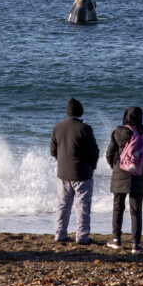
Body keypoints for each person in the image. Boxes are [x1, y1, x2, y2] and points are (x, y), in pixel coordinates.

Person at [105, 106, 143, 254]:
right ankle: (136, 244)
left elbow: (109, 154)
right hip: (139, 176)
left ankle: (116, 240)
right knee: (136, 211)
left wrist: (115, 168)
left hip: (119, 175)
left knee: (118, 207)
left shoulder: (118, 132)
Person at [50, 98, 100, 244]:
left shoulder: (57, 127)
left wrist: (62, 162)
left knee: (63, 205)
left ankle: (60, 233)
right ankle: (82, 236)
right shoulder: (85, 129)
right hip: (83, 173)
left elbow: (53, 150)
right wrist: (93, 166)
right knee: (83, 206)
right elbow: (94, 152)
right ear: (81, 112)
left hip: (63, 173)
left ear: (67, 112)